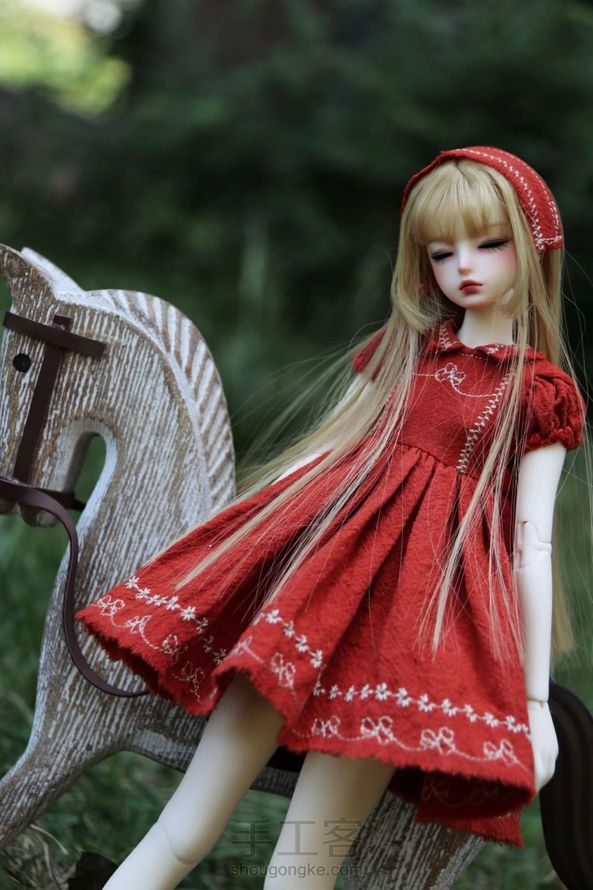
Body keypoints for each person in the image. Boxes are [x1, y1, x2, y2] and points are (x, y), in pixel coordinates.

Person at [75, 146, 588, 890]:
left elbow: (529, 543)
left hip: (401, 637)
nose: (464, 268)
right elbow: (323, 459)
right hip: (312, 602)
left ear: (535, 244)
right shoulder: (405, 352)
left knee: (303, 867)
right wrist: (230, 549)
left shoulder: (537, 395)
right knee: (183, 828)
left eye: (488, 243)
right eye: (440, 253)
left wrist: (534, 701)